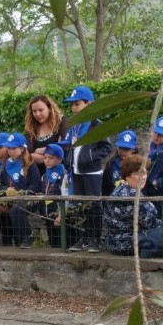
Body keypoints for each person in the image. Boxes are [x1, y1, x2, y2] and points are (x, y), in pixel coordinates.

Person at [104, 154, 163, 258]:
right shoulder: (132, 195)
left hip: (116, 243)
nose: (143, 178)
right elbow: (151, 224)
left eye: (145, 173)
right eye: (138, 174)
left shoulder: (121, 189)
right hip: (129, 243)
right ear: (127, 175)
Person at [63, 85, 113, 253]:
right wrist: (69, 160)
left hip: (91, 172)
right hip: (76, 172)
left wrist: (90, 157)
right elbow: (70, 145)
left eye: (77, 104)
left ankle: (95, 239)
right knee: (79, 206)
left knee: (93, 206)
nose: (73, 108)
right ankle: (82, 238)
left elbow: (106, 147)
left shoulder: (97, 124)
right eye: (72, 105)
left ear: (89, 104)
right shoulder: (74, 125)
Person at [0, 133, 42, 248]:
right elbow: (0, 184)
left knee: (15, 211)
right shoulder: (5, 164)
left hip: (29, 198)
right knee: (3, 211)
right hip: (11, 198)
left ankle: (28, 235)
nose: (10, 151)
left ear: (22, 149)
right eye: (8, 148)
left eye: (13, 148)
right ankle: (17, 243)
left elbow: (36, 184)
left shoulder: (30, 164)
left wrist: (22, 193)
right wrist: (6, 189)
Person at [24, 94, 71, 176]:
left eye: (41, 110)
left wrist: (44, 151)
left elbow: (66, 146)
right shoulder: (31, 128)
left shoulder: (62, 122)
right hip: (38, 176)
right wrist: (52, 155)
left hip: (60, 176)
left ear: (49, 108)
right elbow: (26, 155)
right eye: (34, 111)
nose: (37, 114)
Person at [41, 144, 74, 248]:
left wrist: (61, 215)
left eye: (51, 158)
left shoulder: (64, 176)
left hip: (59, 214)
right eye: (45, 158)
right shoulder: (44, 176)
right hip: (48, 214)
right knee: (53, 242)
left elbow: (66, 195)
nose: (47, 161)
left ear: (60, 159)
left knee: (62, 241)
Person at [102, 130, 138, 196]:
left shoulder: (138, 165)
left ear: (133, 149)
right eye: (120, 148)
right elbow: (105, 187)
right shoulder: (111, 164)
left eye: (126, 149)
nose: (122, 152)